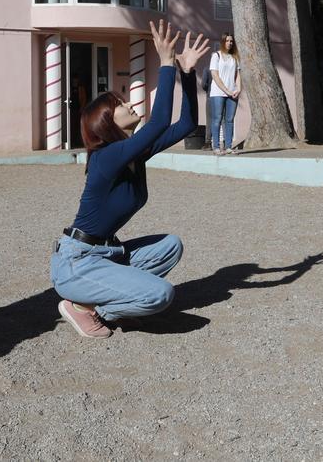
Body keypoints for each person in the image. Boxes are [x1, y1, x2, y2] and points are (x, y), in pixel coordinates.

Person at [52, 21, 209, 338]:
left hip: (106, 253)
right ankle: (84, 308)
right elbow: (161, 120)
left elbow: (187, 123)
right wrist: (167, 63)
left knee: (170, 246)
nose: (128, 103)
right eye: (119, 104)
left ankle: (110, 303)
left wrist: (188, 73)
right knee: (160, 295)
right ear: (106, 122)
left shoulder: (134, 155)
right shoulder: (106, 157)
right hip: (77, 263)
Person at [208, 33, 241, 155]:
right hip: (218, 93)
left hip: (233, 93)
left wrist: (238, 89)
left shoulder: (235, 57)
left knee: (230, 120)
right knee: (217, 119)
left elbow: (237, 76)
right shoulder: (216, 56)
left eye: (231, 41)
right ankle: (216, 147)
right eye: (227, 41)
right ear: (223, 42)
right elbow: (215, 76)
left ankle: (228, 147)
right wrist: (227, 91)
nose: (230, 43)